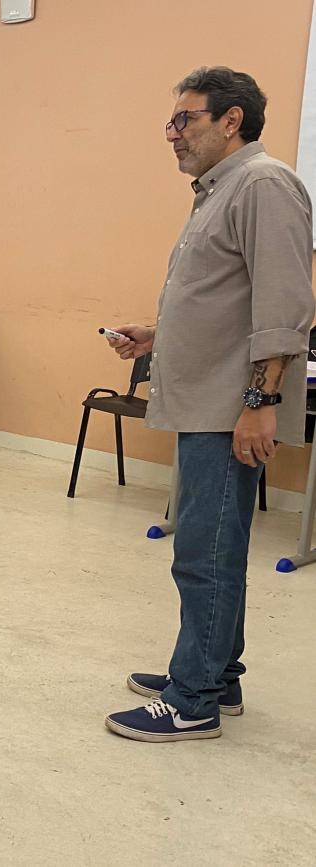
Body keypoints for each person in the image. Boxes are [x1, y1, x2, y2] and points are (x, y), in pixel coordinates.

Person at [103, 67, 315, 743]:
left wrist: (259, 401)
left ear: (231, 120)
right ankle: (217, 675)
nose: (172, 134)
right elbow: (224, 300)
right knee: (215, 546)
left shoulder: (263, 184)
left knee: (204, 552)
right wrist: (157, 334)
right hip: (209, 400)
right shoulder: (221, 191)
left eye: (184, 119)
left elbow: (284, 308)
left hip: (229, 408)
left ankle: (192, 700)